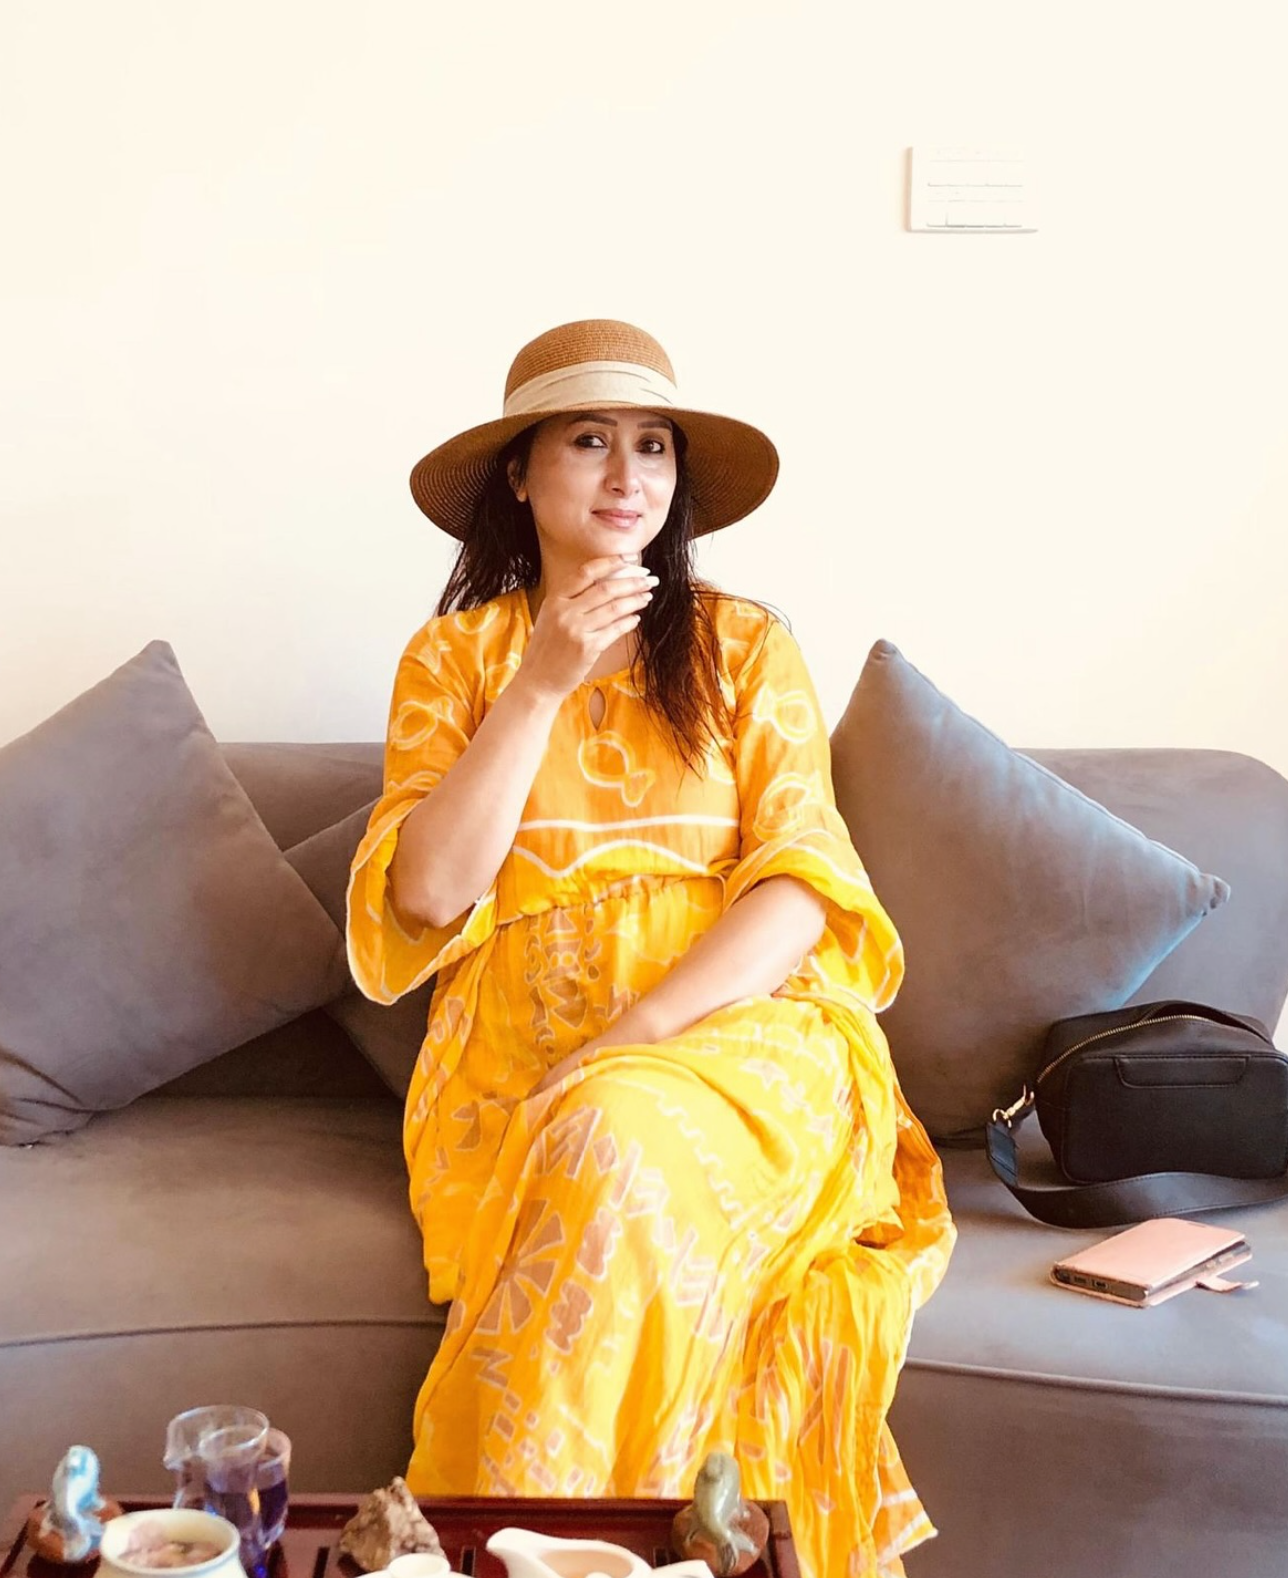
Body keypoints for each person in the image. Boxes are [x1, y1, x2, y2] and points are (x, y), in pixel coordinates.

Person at [346, 319, 955, 1577]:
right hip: (518, 1055)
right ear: (520, 474)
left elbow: (802, 888)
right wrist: (541, 684)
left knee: (614, 1132)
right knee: (598, 1136)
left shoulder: (744, 646)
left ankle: (513, 1554)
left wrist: (635, 1034)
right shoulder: (456, 658)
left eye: (655, 446)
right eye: (588, 441)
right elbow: (428, 892)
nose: (629, 476)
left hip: (740, 1035)